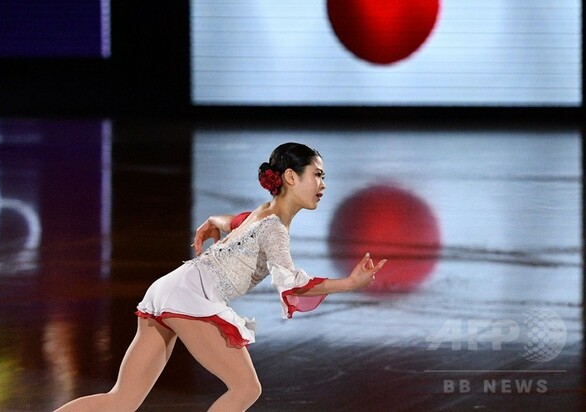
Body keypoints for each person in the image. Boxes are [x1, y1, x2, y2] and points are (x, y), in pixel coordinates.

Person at [53, 142, 387, 411]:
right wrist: (350, 283)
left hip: (170, 288)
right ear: (290, 177)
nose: (323, 185)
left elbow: (236, 221)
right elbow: (293, 284)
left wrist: (214, 220)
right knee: (245, 389)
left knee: (121, 401)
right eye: (317, 175)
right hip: (190, 296)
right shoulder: (274, 229)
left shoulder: (264, 213)